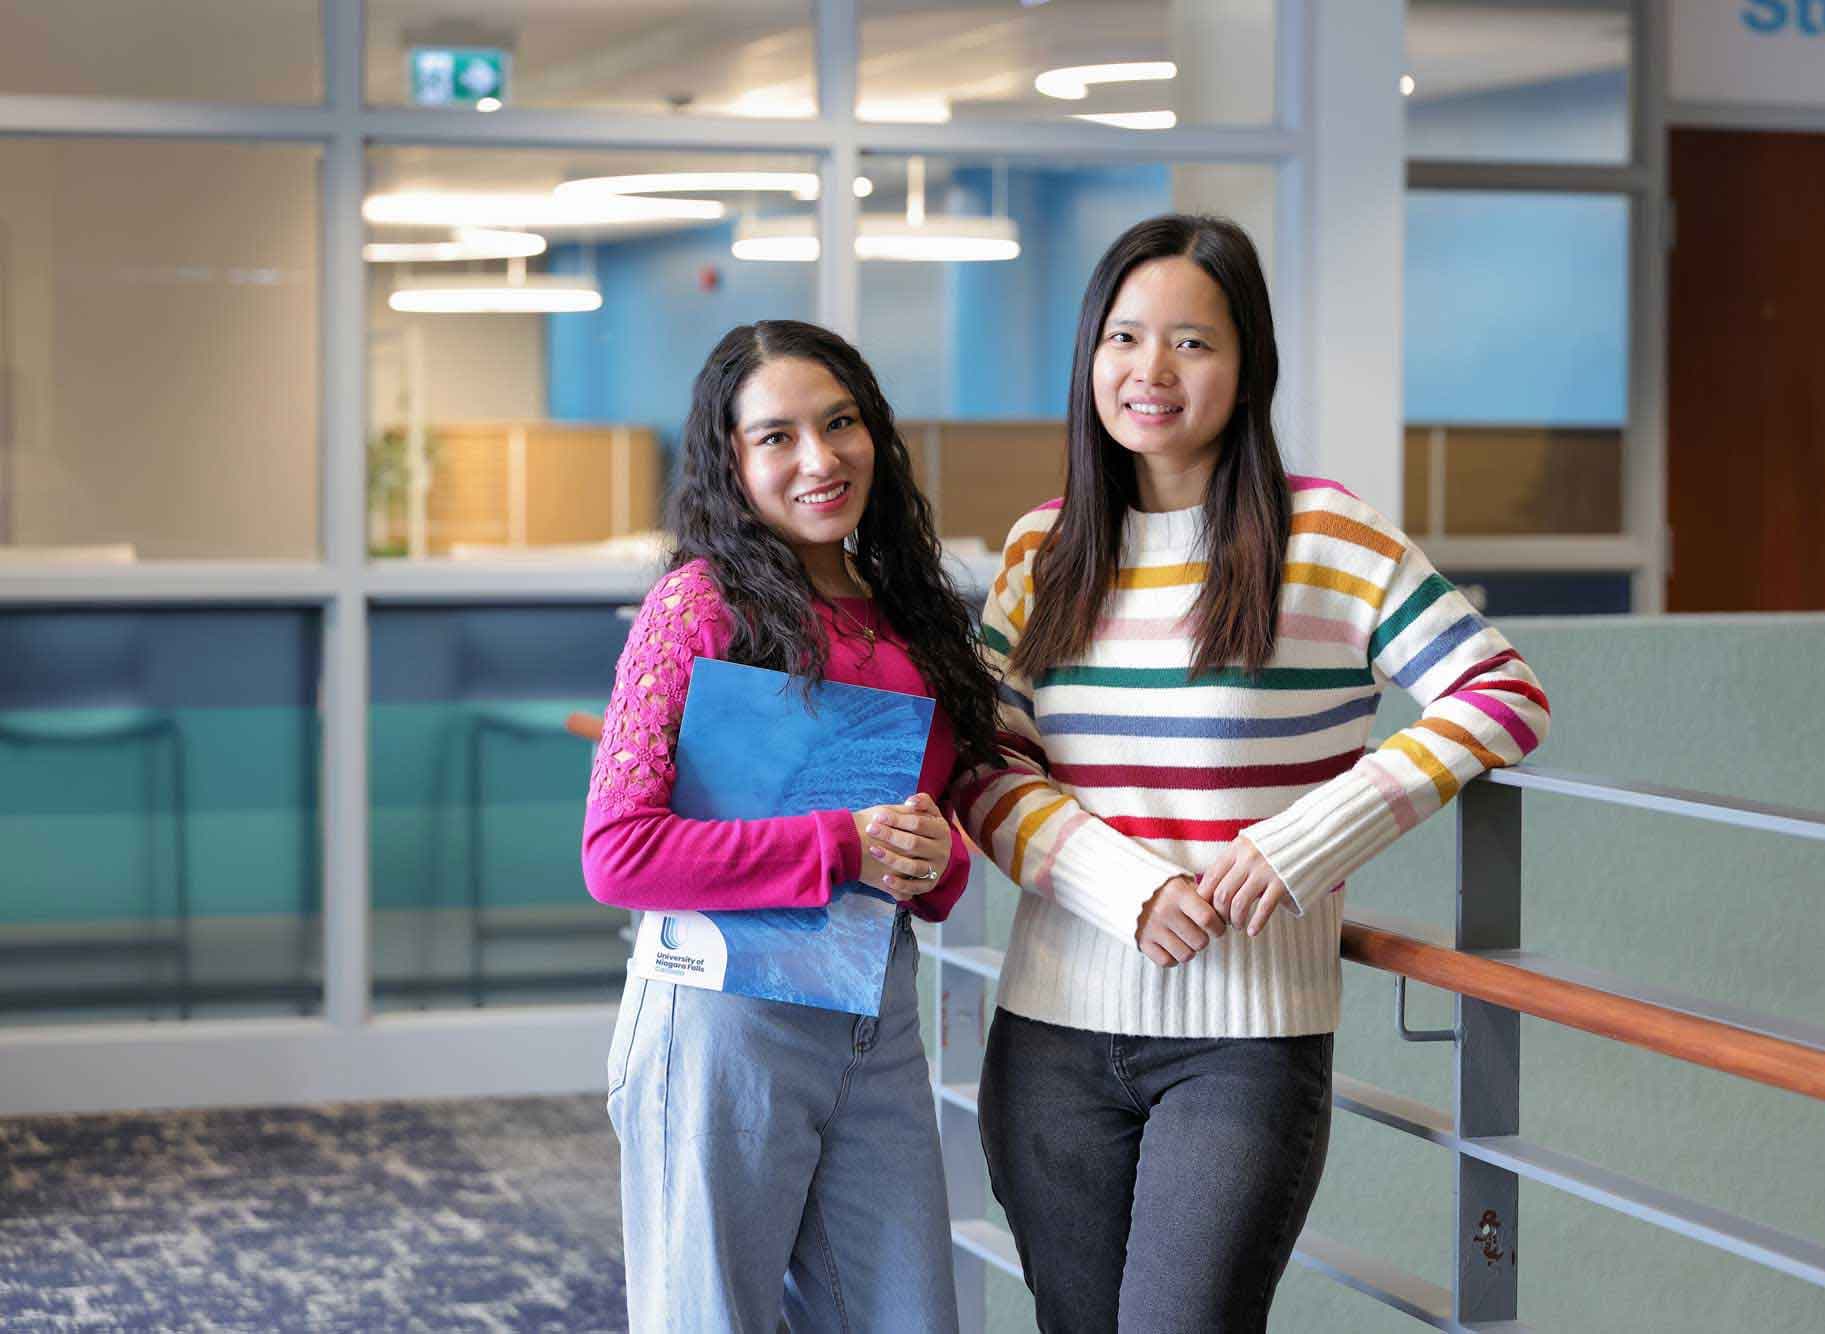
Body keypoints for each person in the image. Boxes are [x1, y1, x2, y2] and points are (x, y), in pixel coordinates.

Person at [956, 214, 1551, 1333]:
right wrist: (1118, 885)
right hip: (1048, 1030)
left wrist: (1296, 846)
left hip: (1246, 1039)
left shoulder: (1324, 536)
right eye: (1124, 337)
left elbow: (1499, 695)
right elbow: (988, 765)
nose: (1150, 371)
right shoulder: (1043, 547)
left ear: (1247, 364)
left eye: (1191, 342)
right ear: (1088, 356)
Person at [583, 320, 997, 1333]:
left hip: (875, 1016)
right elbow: (618, 850)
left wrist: (935, 858)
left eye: (840, 422)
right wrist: (840, 845)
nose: (819, 458)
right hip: (721, 1022)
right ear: (729, 460)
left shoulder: (917, 615)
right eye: (776, 436)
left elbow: (926, 835)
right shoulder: (698, 607)